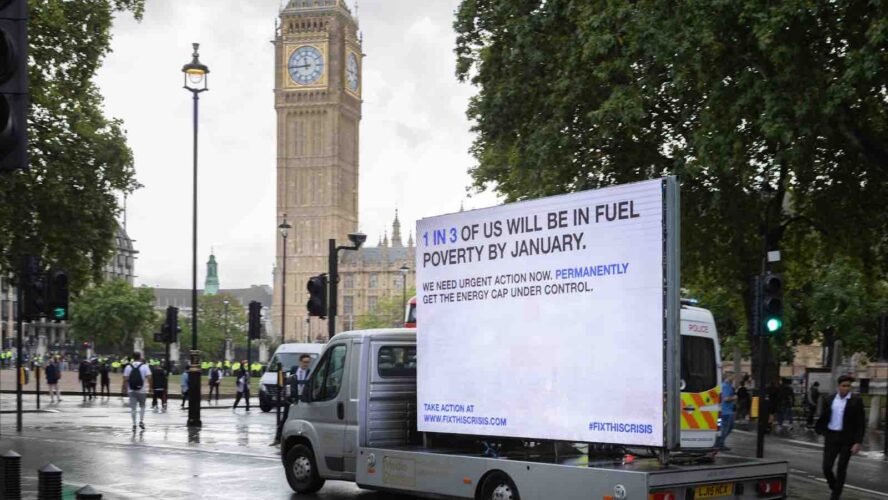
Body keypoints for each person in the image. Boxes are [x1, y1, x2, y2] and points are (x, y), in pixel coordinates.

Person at [816, 375, 865, 500]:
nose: (847, 388)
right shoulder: (829, 399)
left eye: (849, 386)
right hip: (831, 437)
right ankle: (834, 486)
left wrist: (857, 442)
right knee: (827, 467)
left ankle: (835, 496)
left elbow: (860, 423)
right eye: (844, 386)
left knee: (841, 468)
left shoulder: (856, 401)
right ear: (839, 387)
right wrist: (822, 431)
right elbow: (824, 417)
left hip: (847, 439)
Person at [274, 354, 312, 444]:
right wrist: (287, 396)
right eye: (304, 362)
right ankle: (278, 438)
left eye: (308, 362)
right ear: (300, 362)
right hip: (292, 398)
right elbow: (288, 383)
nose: (306, 364)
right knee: (285, 417)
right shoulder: (294, 370)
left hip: (302, 399)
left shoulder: (310, 372)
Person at [123, 352, 152, 431]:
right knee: (142, 406)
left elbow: (125, 379)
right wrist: (150, 388)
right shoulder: (145, 366)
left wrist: (124, 389)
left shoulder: (128, 367)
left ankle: (134, 424)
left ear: (133, 357)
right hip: (142, 390)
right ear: (140, 357)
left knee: (133, 408)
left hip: (131, 390)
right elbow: (149, 377)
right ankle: (141, 421)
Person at [715, 373, 737, 450]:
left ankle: (719, 443)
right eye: (732, 376)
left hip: (725, 411)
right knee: (725, 428)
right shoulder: (726, 386)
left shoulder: (725, 386)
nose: (734, 378)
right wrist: (734, 397)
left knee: (725, 428)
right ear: (728, 377)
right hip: (726, 411)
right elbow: (726, 399)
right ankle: (720, 444)